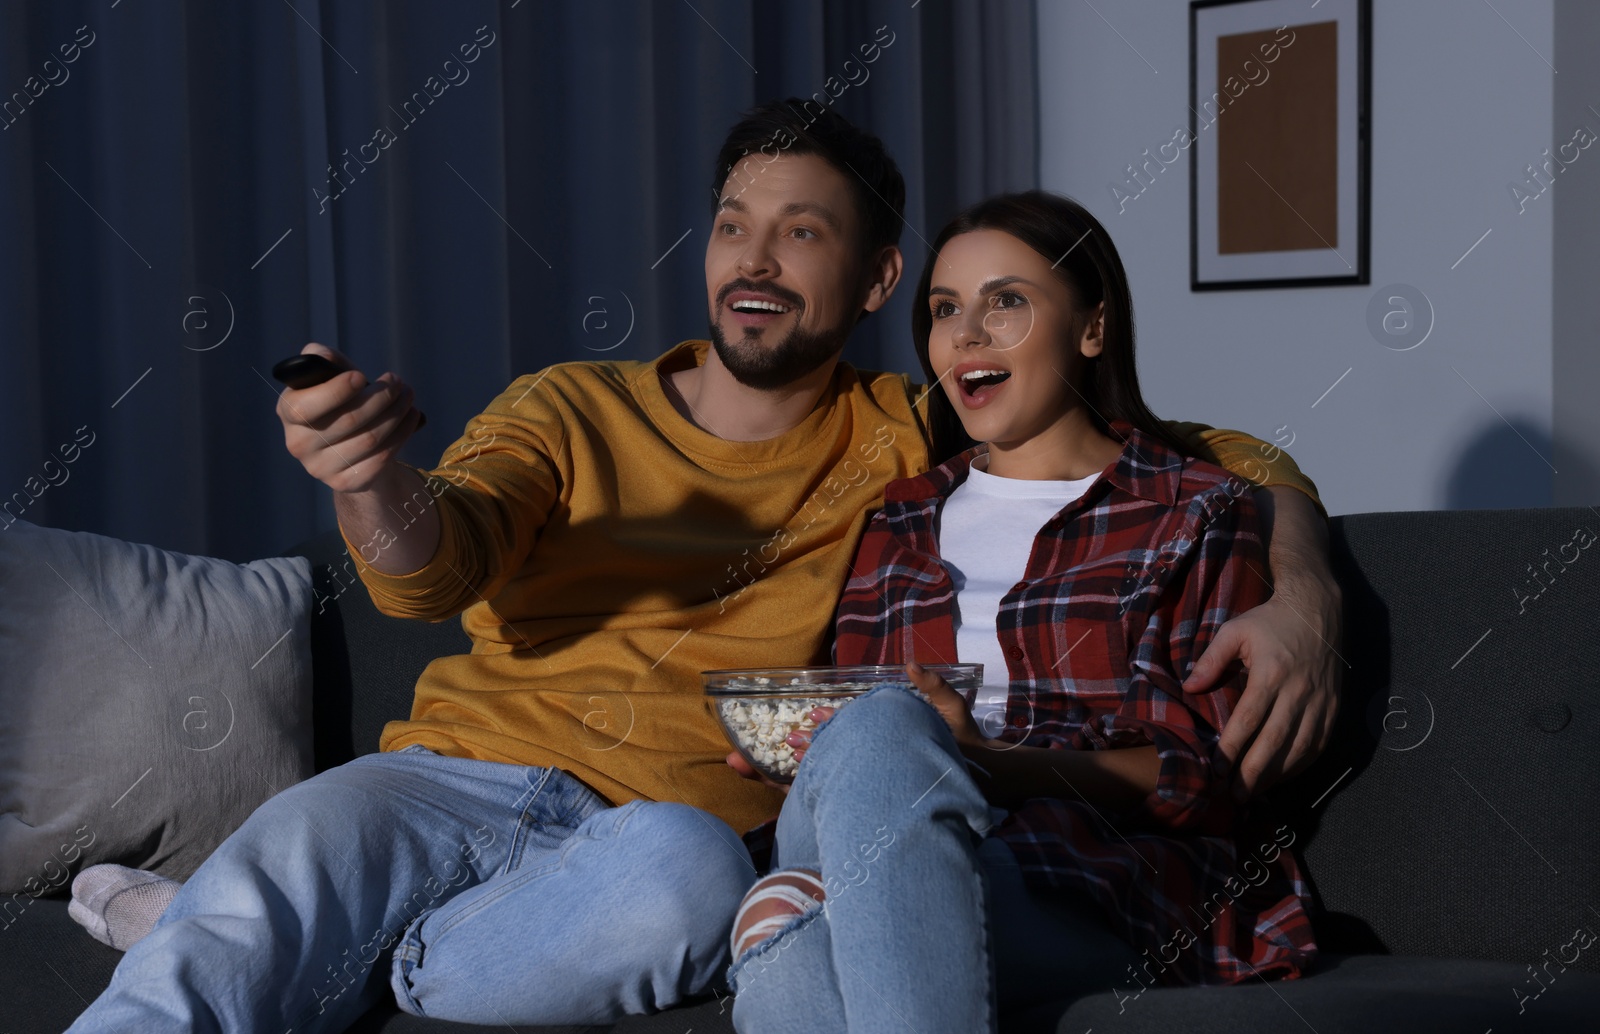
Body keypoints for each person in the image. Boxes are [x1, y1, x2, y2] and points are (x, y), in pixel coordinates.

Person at [65, 100, 1336, 1032]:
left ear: (875, 274)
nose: (754, 259)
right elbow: (433, 561)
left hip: (650, 842)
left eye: (800, 233)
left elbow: (1189, 447)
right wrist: (366, 480)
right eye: (735, 225)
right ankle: (230, 935)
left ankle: (352, 963)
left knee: (696, 880)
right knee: (263, 897)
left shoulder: (910, 428)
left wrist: (1304, 588)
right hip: (449, 780)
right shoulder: (571, 405)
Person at [724, 191, 1317, 1032]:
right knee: (871, 740)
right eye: (943, 309)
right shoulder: (896, 520)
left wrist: (985, 760)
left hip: (1088, 876)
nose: (966, 334)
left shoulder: (1190, 512)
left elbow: (1208, 780)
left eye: (1006, 301)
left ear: (1092, 328)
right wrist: (807, 748)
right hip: (889, 836)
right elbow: (868, 732)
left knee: (789, 924)